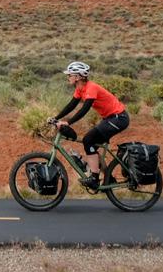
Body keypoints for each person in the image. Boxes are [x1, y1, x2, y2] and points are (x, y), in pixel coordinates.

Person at [49, 61, 129, 190]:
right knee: (92, 147)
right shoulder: (80, 89)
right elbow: (72, 105)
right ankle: (109, 179)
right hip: (110, 119)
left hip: (119, 118)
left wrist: (68, 122)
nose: (68, 77)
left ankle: (94, 179)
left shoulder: (91, 88)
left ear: (78, 77)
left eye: (70, 75)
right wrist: (56, 118)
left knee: (88, 140)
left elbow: (84, 109)